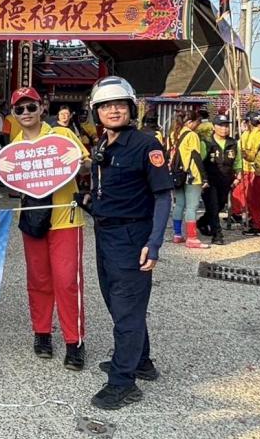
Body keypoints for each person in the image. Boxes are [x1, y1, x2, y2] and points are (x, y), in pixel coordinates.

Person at [86, 76, 172, 410]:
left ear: (131, 108)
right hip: (105, 234)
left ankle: (122, 382)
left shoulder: (146, 145)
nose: (113, 110)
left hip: (132, 237)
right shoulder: (102, 145)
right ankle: (141, 362)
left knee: (126, 311)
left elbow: (163, 197)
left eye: (119, 105)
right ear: (96, 111)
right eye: (106, 106)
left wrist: (154, 243)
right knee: (117, 302)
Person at [0, 88, 89, 370]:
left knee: (67, 281)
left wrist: (79, 163)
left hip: (65, 218)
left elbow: (87, 165)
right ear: (13, 114)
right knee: (38, 279)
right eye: (19, 109)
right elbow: (10, 182)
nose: (26, 113)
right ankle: (42, 333)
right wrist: (1, 171)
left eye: (30, 107)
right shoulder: (14, 147)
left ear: (41, 107)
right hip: (33, 218)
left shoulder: (62, 135)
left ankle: (74, 342)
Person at [197, 114, 241, 245]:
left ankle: (202, 222)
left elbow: (237, 160)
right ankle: (217, 234)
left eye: (226, 126)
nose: (224, 129)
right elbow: (199, 162)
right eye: (221, 126)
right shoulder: (206, 143)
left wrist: (238, 174)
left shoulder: (233, 143)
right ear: (214, 127)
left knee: (220, 205)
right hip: (210, 180)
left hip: (226, 179)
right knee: (213, 205)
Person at [168, 111, 208, 248]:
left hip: (177, 174)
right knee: (192, 206)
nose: (198, 125)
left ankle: (177, 234)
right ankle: (192, 238)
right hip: (192, 174)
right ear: (190, 122)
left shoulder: (174, 134)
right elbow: (196, 156)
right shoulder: (192, 135)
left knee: (179, 204)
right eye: (198, 122)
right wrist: (204, 176)